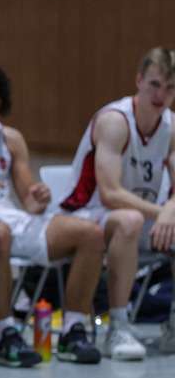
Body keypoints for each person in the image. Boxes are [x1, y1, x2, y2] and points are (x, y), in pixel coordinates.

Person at [0, 61, 104, 365]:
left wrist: (40, 197)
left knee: (91, 233)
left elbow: (29, 200)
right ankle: (4, 332)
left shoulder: (10, 138)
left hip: (9, 216)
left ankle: (73, 329)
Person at [57, 47, 175, 360]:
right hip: (87, 215)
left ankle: (172, 325)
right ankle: (117, 326)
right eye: (154, 84)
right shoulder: (115, 120)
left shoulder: (170, 126)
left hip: (139, 216)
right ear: (138, 80)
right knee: (130, 220)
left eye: (170, 87)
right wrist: (165, 212)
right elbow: (110, 193)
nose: (161, 94)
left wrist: (171, 210)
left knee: (138, 220)